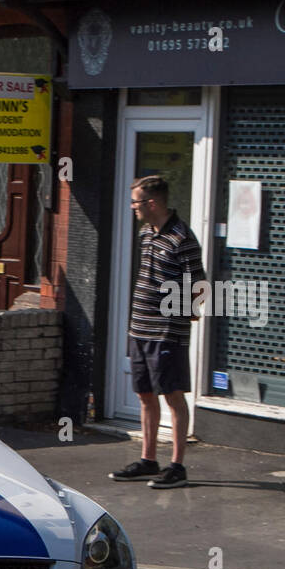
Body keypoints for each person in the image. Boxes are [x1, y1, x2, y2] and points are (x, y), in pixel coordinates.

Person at [109, 175, 205, 490]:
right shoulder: (147, 233)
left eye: (136, 202)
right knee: (144, 394)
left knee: (172, 394)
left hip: (166, 331)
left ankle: (177, 465)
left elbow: (199, 286)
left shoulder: (182, 238)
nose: (133, 207)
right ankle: (148, 459)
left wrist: (184, 313)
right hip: (139, 326)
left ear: (152, 203)